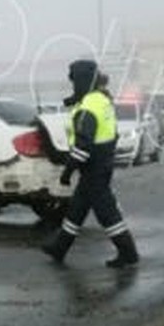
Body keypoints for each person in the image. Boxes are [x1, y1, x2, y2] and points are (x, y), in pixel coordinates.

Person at [41, 59, 139, 268]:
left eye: (74, 82)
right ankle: (60, 247)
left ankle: (128, 252)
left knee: (107, 213)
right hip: (102, 163)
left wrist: (67, 172)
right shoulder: (101, 100)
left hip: (93, 167)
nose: (73, 86)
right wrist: (72, 100)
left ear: (82, 81)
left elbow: (83, 146)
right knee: (77, 208)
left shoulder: (88, 108)